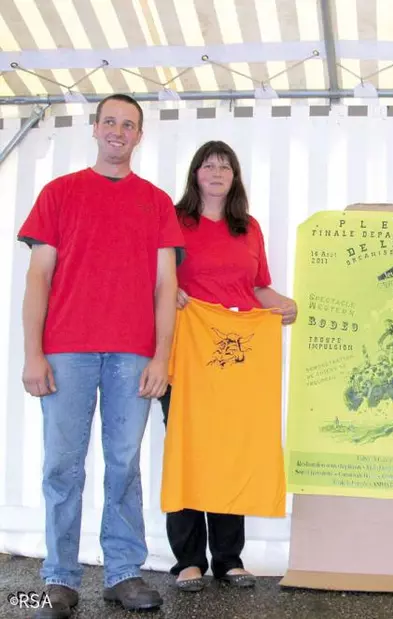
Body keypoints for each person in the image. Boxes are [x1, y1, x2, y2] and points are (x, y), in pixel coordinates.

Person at [18, 94, 184, 619]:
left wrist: (161, 357)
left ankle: (123, 573)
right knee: (62, 466)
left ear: (139, 136)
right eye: (109, 121)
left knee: (124, 463)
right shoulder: (59, 193)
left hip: (133, 354)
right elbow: (38, 277)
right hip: (65, 350)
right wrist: (33, 355)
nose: (118, 130)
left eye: (128, 124)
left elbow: (166, 285)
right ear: (94, 128)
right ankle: (60, 578)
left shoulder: (156, 202)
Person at [159, 140, 297, 592]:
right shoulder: (174, 222)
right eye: (208, 165)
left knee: (230, 452)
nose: (216, 172)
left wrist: (287, 305)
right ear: (194, 173)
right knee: (188, 449)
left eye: (225, 166)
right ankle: (187, 560)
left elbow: (257, 288)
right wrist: (168, 291)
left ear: (235, 176)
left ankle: (228, 558)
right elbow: (150, 275)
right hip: (186, 352)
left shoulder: (248, 228)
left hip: (237, 359)